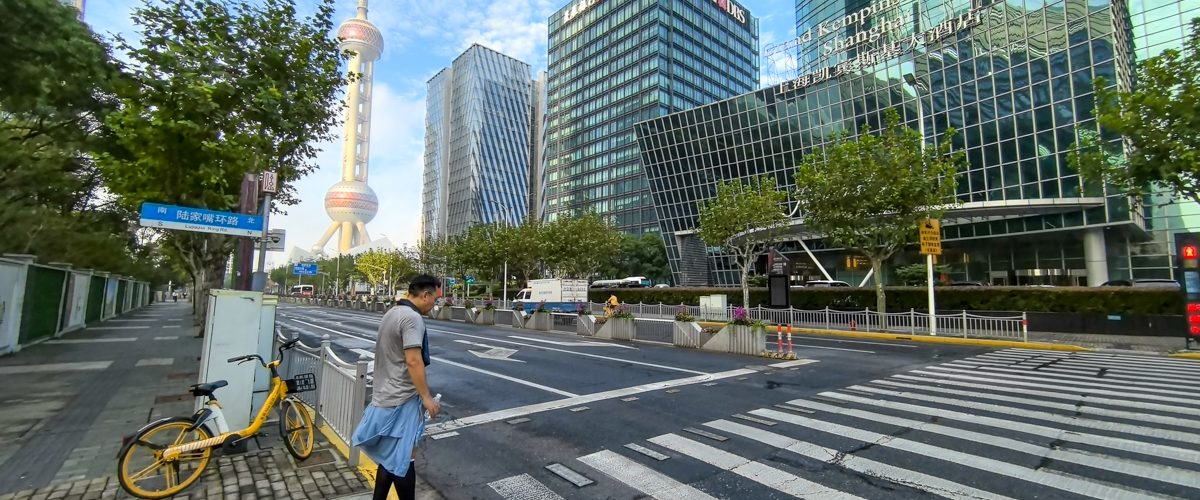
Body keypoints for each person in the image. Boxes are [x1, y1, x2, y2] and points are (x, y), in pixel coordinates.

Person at [351, 274, 441, 500]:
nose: (434, 304)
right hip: (402, 399)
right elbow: (413, 360)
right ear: (425, 295)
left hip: (385, 395)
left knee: (391, 458)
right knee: (404, 459)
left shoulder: (392, 312)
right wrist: (426, 397)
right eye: (435, 299)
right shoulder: (412, 318)